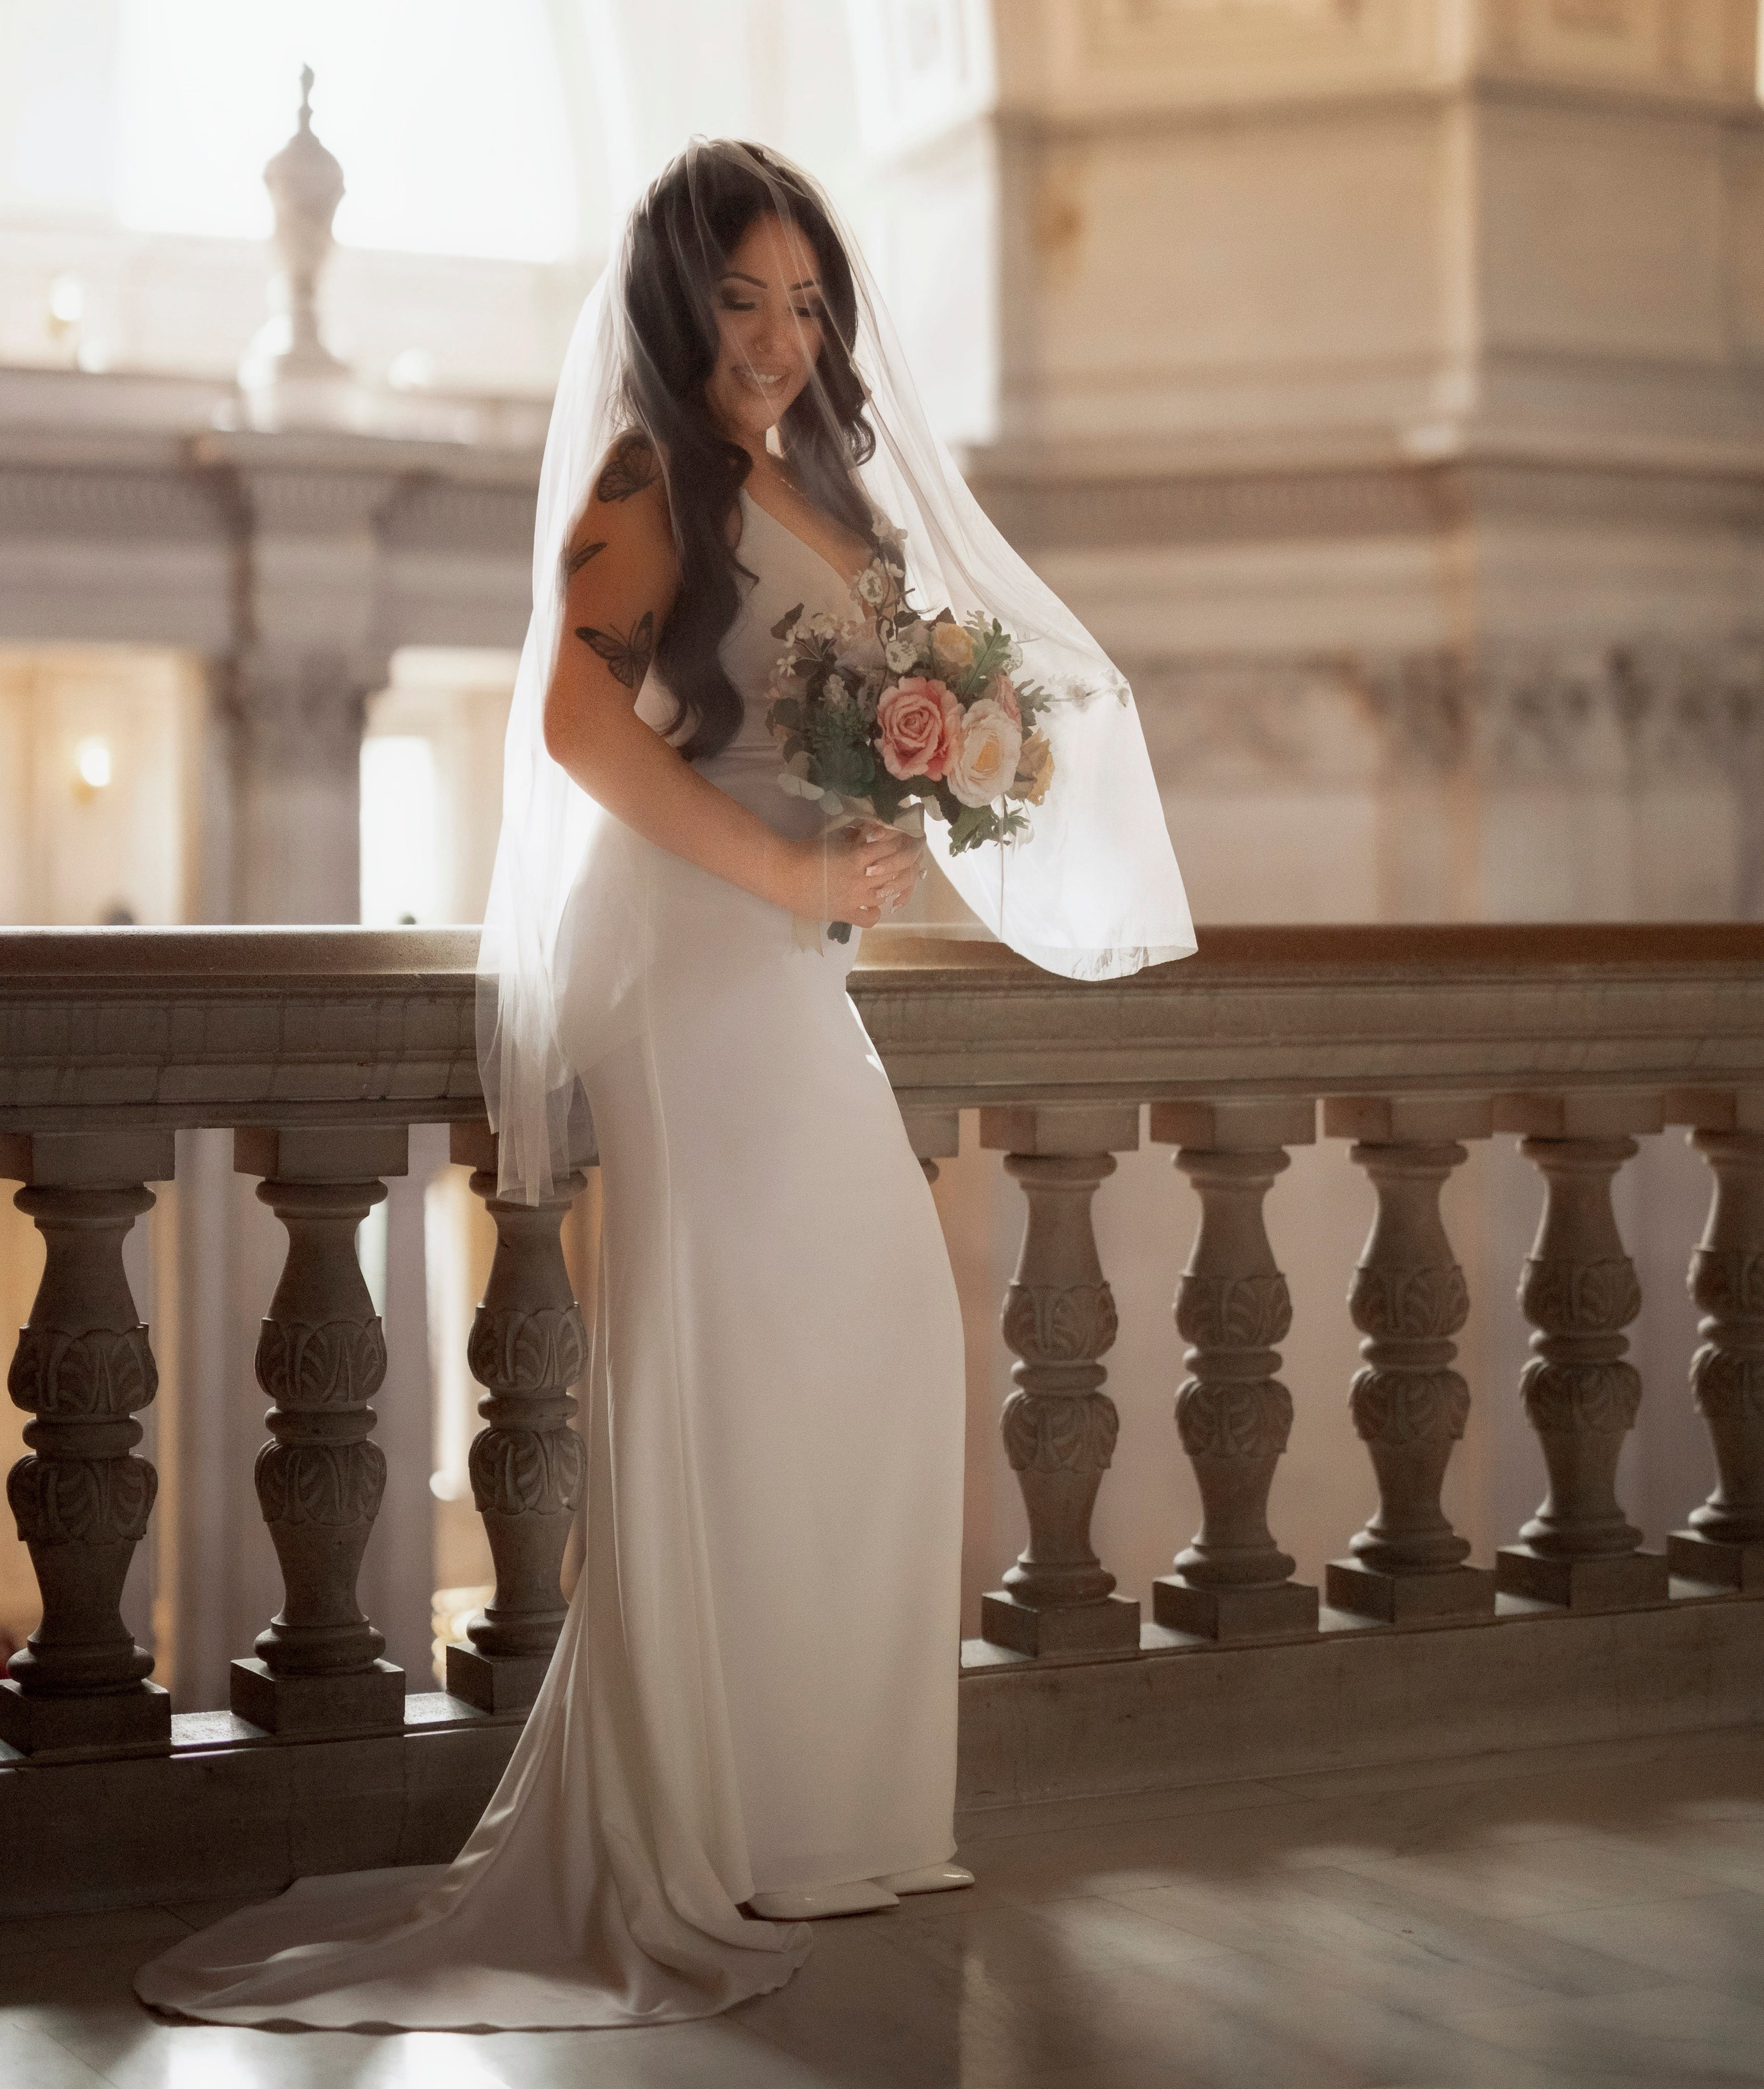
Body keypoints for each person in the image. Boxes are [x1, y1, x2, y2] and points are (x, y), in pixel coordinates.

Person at [136, 140, 1194, 2032]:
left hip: (784, 965)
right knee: (732, 1356)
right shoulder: (646, 479)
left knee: (877, 1332)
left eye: (806, 301)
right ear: (675, 303)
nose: (782, 336)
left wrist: (917, 784)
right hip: (696, 971)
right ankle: (707, 1828)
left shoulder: (819, 484)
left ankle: (833, 1806)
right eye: (743, 299)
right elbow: (563, 722)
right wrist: (791, 869)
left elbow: (843, 714)